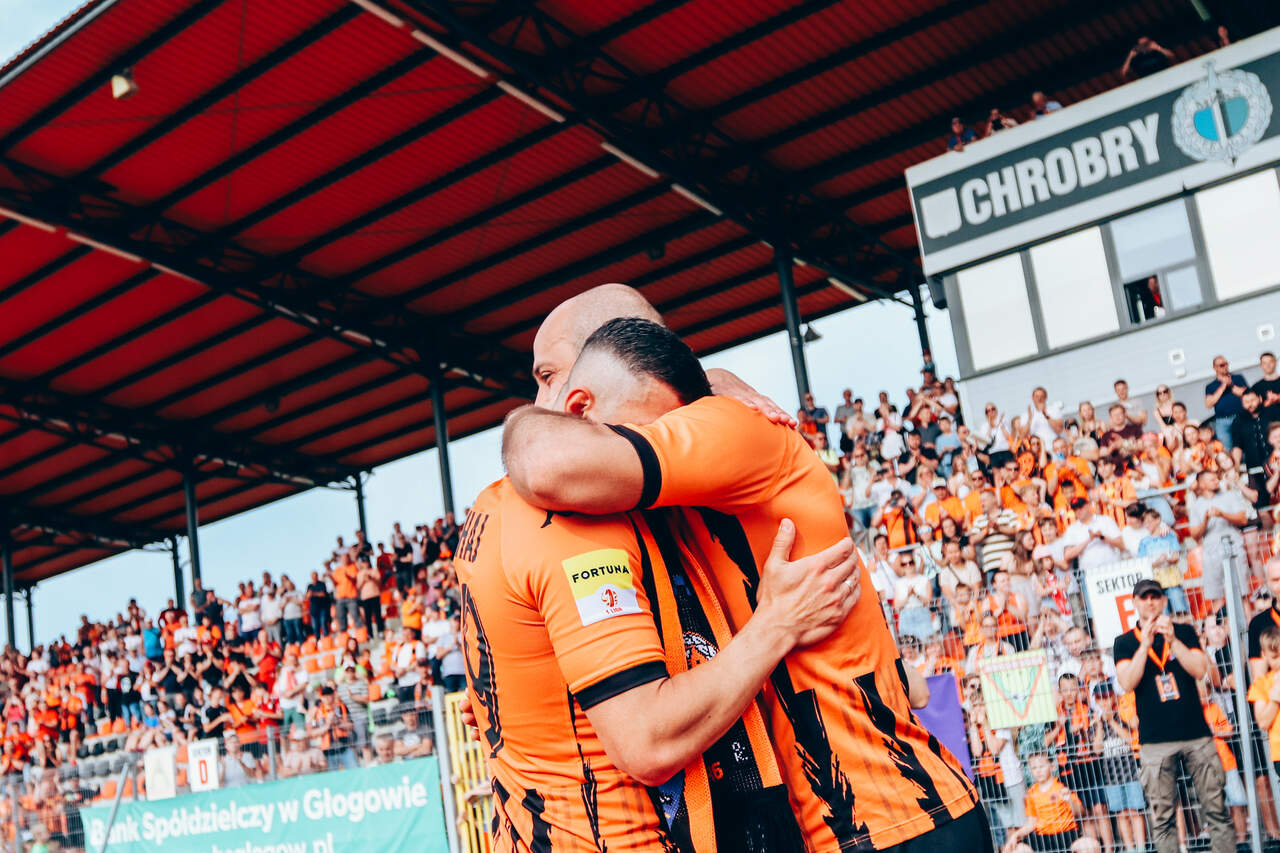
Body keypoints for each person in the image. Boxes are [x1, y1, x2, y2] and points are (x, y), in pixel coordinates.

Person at [503, 293, 985, 850]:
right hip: (824, 830)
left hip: (897, 822)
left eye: (548, 376)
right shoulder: (660, 496)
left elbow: (547, 463)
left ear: (613, 354)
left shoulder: (730, 426)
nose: (546, 403)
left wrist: (519, 425)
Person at [1113, 579, 1233, 853]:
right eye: (1144, 597)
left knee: (1216, 810)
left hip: (1196, 735)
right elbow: (1127, 682)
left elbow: (1200, 670)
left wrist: (1173, 641)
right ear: (1135, 602)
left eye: (1155, 596)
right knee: (1163, 819)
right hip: (1155, 742)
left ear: (1164, 600)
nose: (1150, 602)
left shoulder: (1185, 632)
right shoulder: (1125, 642)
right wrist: (1144, 645)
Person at [1187, 469, 1249, 611]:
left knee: (1241, 593)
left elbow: (1243, 519)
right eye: (1212, 480)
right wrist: (1205, 520)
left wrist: (1222, 514)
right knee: (1216, 596)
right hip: (1211, 552)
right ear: (1202, 484)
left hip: (1234, 547)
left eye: (1216, 478)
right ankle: (1220, 623)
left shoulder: (1229, 496)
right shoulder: (1196, 506)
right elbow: (1194, 534)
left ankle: (1248, 622)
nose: (1216, 481)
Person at [1002, 753, 1081, 852]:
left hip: (1067, 834)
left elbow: (1080, 813)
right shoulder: (1032, 792)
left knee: (1089, 846)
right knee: (1018, 849)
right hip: (1043, 838)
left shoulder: (1061, 787)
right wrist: (1015, 835)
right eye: (1034, 768)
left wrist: (1070, 800)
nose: (1038, 771)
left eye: (1042, 766)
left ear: (1052, 767)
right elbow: (1031, 822)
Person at [1205, 356, 1249, 450]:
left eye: (1226, 364)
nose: (1225, 366)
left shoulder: (1238, 378)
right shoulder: (1210, 386)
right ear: (1215, 368)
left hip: (1241, 417)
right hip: (1223, 422)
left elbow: (1246, 394)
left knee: (1247, 444)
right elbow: (1209, 404)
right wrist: (1223, 386)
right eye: (1221, 365)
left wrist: (1231, 385)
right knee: (1227, 449)